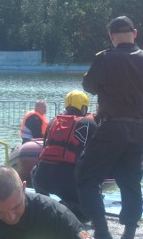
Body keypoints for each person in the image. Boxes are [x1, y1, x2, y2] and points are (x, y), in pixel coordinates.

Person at [75, 15, 143, 239]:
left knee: (87, 178)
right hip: (137, 131)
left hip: (110, 128)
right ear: (134, 33)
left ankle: (102, 230)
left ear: (111, 36)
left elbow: (89, 86)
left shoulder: (104, 58)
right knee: (130, 185)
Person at [32, 90, 98, 219]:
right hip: (67, 179)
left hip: (41, 177)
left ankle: (43, 203)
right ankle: (62, 206)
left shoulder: (52, 122)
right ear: (84, 107)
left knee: (36, 171)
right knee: (86, 214)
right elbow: (96, 154)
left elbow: (46, 146)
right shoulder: (89, 124)